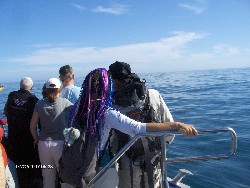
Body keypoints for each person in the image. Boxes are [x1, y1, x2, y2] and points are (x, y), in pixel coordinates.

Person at [67, 68, 198, 188]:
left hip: (78, 165)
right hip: (102, 168)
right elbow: (138, 128)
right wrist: (176, 125)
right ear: (107, 86)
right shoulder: (107, 113)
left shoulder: (76, 109)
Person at [109, 61, 174, 188]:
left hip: (127, 164)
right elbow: (169, 126)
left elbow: (112, 141)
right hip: (154, 159)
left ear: (112, 79)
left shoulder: (112, 104)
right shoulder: (153, 94)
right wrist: (158, 149)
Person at [30, 78, 73, 188]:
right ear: (60, 89)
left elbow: (32, 126)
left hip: (43, 144)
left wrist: (37, 139)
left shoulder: (39, 104)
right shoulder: (65, 103)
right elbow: (79, 113)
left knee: (47, 177)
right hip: (60, 143)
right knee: (64, 177)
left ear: (46, 90)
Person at [4, 77, 43, 188]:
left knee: (17, 166)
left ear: (20, 85)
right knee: (29, 167)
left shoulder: (11, 96)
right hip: (27, 139)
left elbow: (6, 111)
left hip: (13, 137)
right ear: (31, 87)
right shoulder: (33, 99)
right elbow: (37, 121)